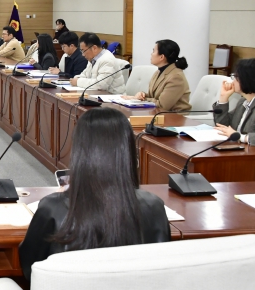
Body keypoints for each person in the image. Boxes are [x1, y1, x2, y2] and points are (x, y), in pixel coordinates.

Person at [18, 108, 170, 280]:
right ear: (128, 152)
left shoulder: (52, 208)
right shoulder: (154, 206)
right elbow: (162, 268)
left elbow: (29, 268)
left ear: (80, 153)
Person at [123, 40, 191, 111]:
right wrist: (142, 94)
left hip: (174, 115)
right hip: (157, 113)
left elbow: (162, 105)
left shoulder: (176, 77)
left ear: (161, 57)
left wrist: (142, 99)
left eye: (153, 51)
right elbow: (153, 96)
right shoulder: (158, 72)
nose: (151, 54)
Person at [214, 58, 255, 146]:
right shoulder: (243, 101)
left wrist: (241, 137)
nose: (232, 81)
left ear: (248, 79)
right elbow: (224, 127)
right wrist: (223, 98)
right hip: (238, 149)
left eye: (235, 77)